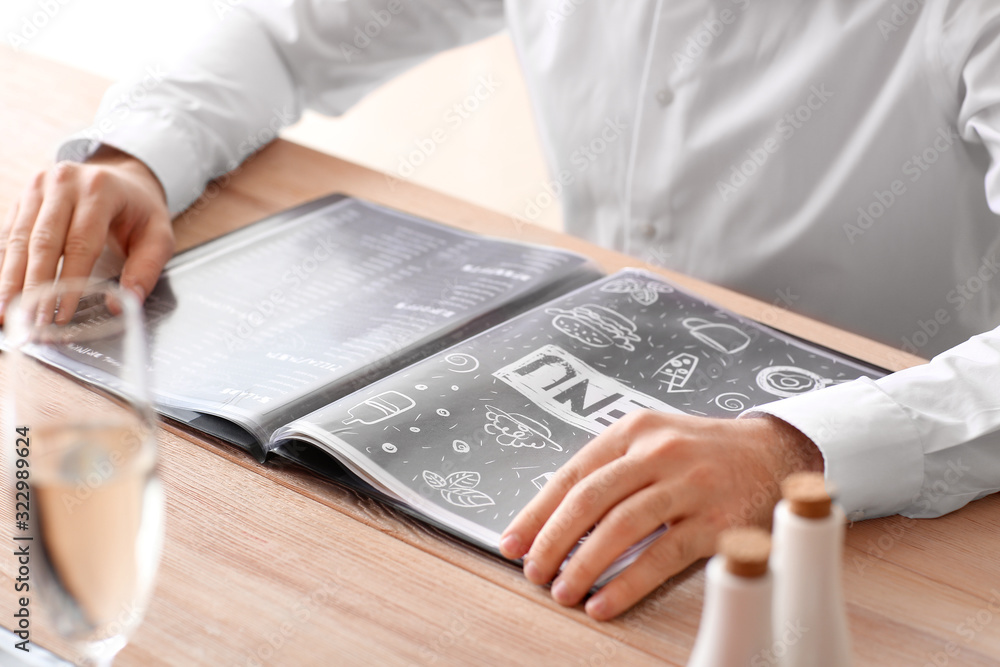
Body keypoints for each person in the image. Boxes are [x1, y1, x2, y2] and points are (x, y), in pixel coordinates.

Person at [3, 0, 999, 621]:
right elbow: (284, 29)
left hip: (887, 517)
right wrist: (138, 150)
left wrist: (796, 448)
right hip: (557, 469)